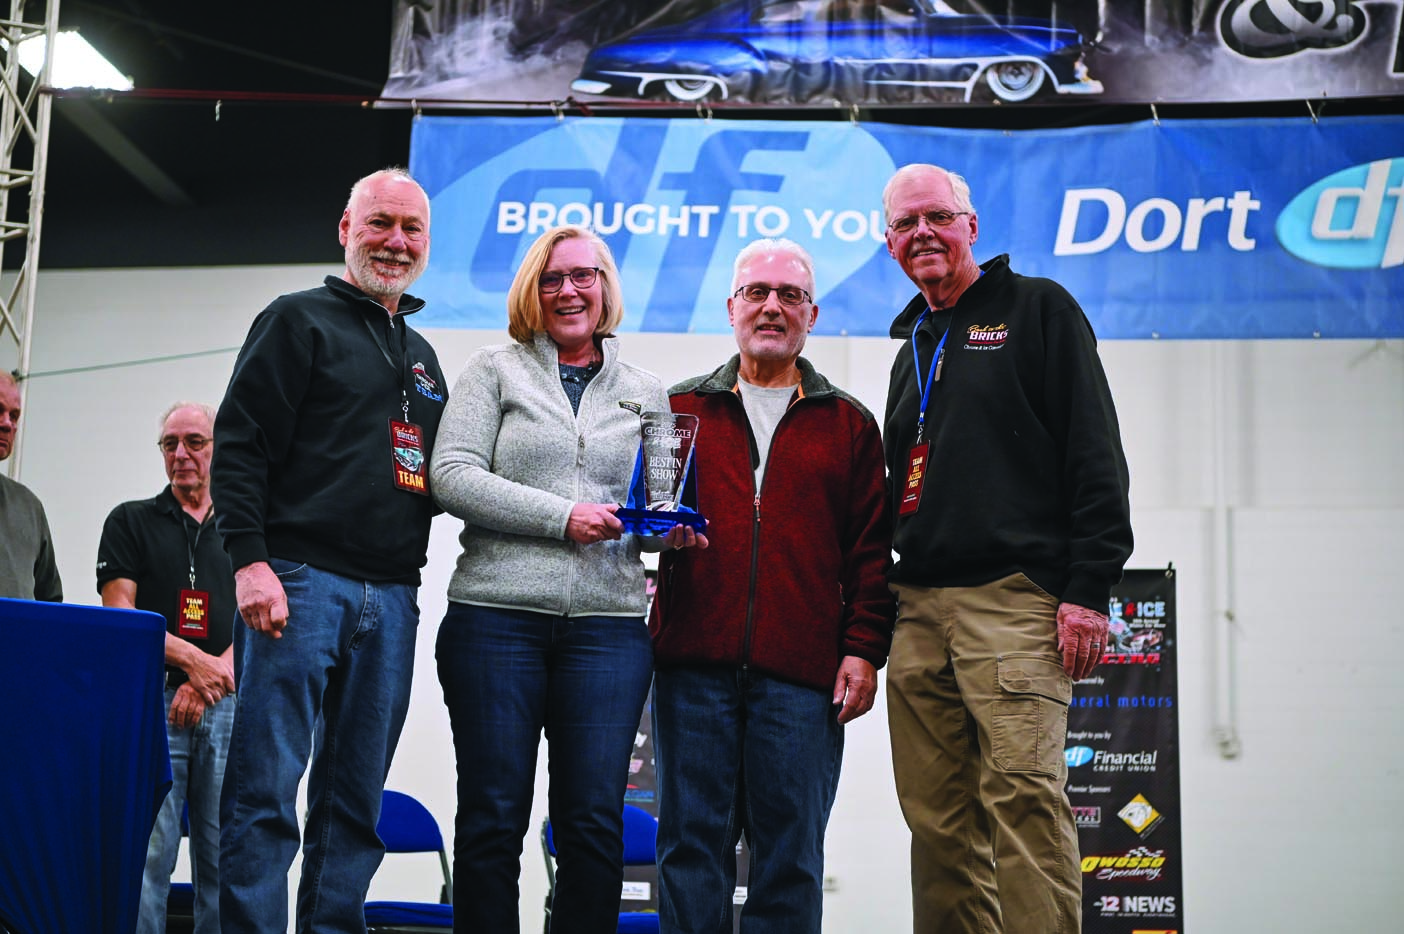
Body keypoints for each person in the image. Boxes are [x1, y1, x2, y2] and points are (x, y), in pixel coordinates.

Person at [879, 163, 1133, 933]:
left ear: (971, 226)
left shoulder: (1038, 309)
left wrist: (1087, 590)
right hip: (918, 610)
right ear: (888, 243)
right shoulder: (912, 347)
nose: (922, 233)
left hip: (1015, 602)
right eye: (905, 223)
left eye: (937, 216)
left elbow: (1095, 454)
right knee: (937, 824)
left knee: (1023, 803)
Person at [429, 224, 700, 933]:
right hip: (494, 619)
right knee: (492, 816)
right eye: (552, 279)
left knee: (593, 823)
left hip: (607, 629)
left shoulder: (646, 392)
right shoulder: (493, 370)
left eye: (584, 276)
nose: (569, 290)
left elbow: (656, 503)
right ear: (532, 290)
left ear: (605, 288)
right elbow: (450, 475)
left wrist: (671, 531)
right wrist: (563, 517)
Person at [210, 167, 447, 933]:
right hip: (300, 583)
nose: (395, 241)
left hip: (395, 598)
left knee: (355, 804)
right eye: (380, 223)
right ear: (346, 229)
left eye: (411, 229)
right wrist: (249, 561)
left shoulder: (423, 357)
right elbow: (240, 444)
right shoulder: (296, 319)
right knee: (264, 792)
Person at [649, 238, 895, 932]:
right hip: (693, 669)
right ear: (731, 308)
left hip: (802, 679)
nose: (772, 307)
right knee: (690, 850)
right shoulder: (679, 409)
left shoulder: (849, 424)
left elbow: (871, 556)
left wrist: (863, 651)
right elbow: (645, 522)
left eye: (790, 295)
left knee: (790, 857)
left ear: (812, 315)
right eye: (757, 292)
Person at [97, 402, 236, 934]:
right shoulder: (129, 520)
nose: (181, 454)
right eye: (170, 443)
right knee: (149, 856)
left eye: (195, 442)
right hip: (154, 705)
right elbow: (121, 613)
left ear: (217, 449)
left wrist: (209, 681)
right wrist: (195, 663)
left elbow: (263, 615)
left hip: (227, 702)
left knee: (224, 856)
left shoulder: (246, 528)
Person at [0, 370, 62, 601]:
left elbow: (50, 604)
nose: (7, 424)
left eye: (14, 416)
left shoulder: (29, 507)